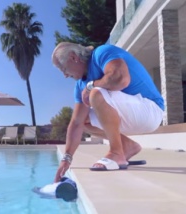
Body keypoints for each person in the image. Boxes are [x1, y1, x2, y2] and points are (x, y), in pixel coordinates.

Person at [51, 42, 164, 182]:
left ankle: (117, 153)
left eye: (63, 68)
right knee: (83, 121)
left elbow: (121, 79)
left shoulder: (102, 53)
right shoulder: (80, 85)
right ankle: (127, 146)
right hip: (133, 115)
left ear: (74, 58)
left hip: (150, 111)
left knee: (95, 94)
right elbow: (76, 123)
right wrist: (66, 159)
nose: (65, 75)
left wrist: (91, 86)